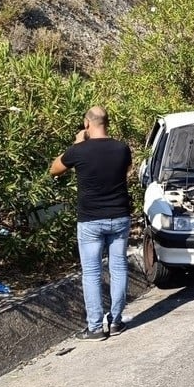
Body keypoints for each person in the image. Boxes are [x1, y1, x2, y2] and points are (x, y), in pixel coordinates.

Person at [50, 106, 133, 341]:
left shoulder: (79, 151)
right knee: (118, 268)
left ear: (87, 124)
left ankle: (95, 327)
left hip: (90, 220)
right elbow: (126, 171)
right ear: (108, 123)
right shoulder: (122, 148)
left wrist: (77, 144)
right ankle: (115, 322)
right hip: (119, 217)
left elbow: (54, 170)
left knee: (92, 273)